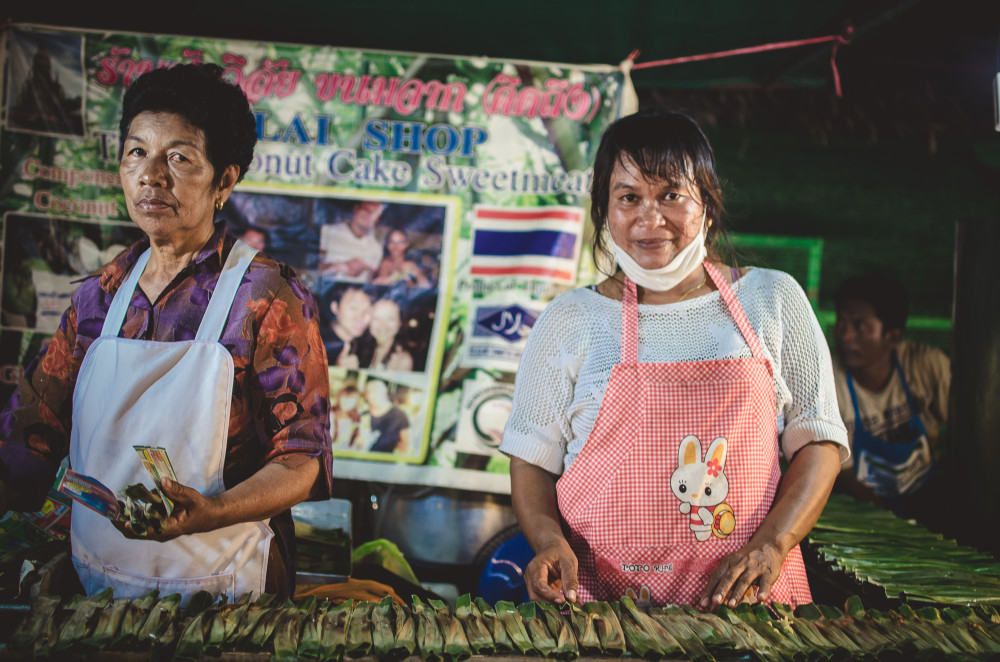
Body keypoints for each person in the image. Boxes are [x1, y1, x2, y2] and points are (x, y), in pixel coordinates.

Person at [0, 63, 333, 600]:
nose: (151, 175)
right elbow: (28, 437)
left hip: (230, 593)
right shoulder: (97, 300)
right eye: (137, 152)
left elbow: (302, 460)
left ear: (225, 179)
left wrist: (213, 511)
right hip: (98, 592)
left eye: (179, 157)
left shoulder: (267, 297)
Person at [500, 111, 848, 609]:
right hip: (603, 613)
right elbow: (533, 461)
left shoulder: (772, 300)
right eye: (628, 197)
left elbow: (820, 442)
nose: (650, 217)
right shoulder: (570, 319)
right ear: (604, 209)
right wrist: (550, 544)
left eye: (671, 195)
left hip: (750, 603)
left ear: (707, 201)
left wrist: (772, 546)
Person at [831, 272, 950, 515]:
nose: (845, 336)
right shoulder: (829, 380)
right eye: (841, 323)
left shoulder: (926, 366)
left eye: (859, 326)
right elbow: (839, 470)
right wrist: (889, 522)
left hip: (930, 503)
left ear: (892, 337)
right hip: (862, 514)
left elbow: (971, 434)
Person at [318, 201, 385, 282]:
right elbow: (311, 268)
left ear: (377, 219)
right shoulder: (328, 232)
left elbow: (372, 281)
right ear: (356, 209)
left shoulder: (376, 248)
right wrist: (342, 267)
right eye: (366, 210)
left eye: (374, 213)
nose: (369, 215)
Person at [321, 284, 375, 369]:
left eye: (367, 311)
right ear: (335, 308)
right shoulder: (314, 343)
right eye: (353, 308)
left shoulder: (367, 344)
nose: (361, 317)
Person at [364, 379, 410, 454]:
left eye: (375, 392)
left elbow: (405, 444)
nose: (371, 396)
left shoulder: (399, 415)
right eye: (368, 392)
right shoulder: (364, 414)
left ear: (384, 393)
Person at [368, 298, 414, 372]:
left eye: (390, 318)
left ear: (399, 323)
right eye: (376, 318)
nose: (383, 325)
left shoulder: (402, 360)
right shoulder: (361, 350)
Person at [331, 383, 362, 450]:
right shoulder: (329, 415)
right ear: (339, 397)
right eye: (345, 398)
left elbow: (355, 445)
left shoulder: (356, 420)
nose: (347, 402)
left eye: (352, 399)